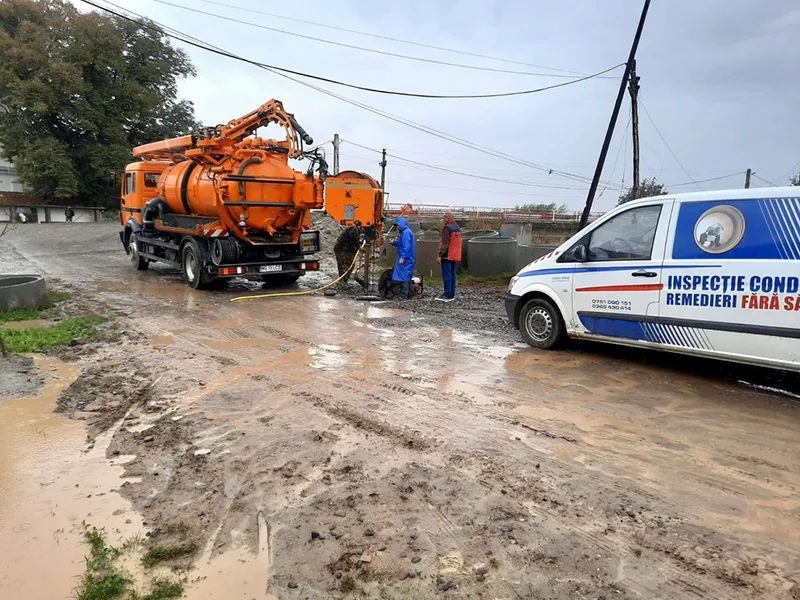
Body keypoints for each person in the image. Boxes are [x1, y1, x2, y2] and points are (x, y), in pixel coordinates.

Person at [436, 211, 463, 302]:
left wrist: (440, 255)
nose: (443, 219)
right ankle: (451, 293)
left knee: (446, 275)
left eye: (444, 217)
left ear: (447, 218)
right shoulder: (457, 227)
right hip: (455, 255)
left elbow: (445, 243)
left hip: (447, 255)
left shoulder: (447, 228)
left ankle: (447, 294)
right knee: (452, 275)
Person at [391, 217, 416, 299]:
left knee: (403, 276)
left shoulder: (405, 233)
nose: (397, 227)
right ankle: (410, 292)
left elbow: (406, 246)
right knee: (407, 275)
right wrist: (393, 242)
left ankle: (403, 294)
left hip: (405, 258)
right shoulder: (406, 232)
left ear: (401, 225)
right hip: (407, 257)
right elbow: (401, 243)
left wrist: (403, 257)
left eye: (397, 226)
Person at [333, 220, 363, 284]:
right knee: (346, 265)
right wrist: (358, 245)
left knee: (347, 265)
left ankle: (343, 281)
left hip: (344, 249)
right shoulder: (354, 229)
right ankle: (342, 282)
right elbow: (353, 236)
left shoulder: (354, 229)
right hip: (342, 249)